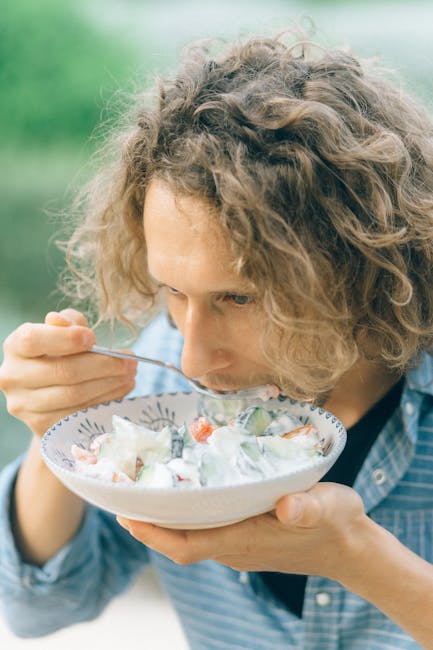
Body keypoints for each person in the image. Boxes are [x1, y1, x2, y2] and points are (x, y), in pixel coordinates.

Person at [0, 33, 433, 650]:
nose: (191, 360)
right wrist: (58, 432)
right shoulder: (159, 384)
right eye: (174, 291)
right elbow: (37, 608)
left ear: (362, 270)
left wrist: (360, 559)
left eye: (240, 298)